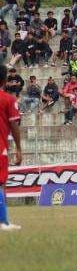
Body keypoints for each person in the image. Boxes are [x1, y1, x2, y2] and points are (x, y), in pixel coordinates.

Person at [0, 65, 22, 231]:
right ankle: (3, 222)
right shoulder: (8, 99)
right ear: (4, 80)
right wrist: (19, 148)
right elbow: (14, 124)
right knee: (1, 183)